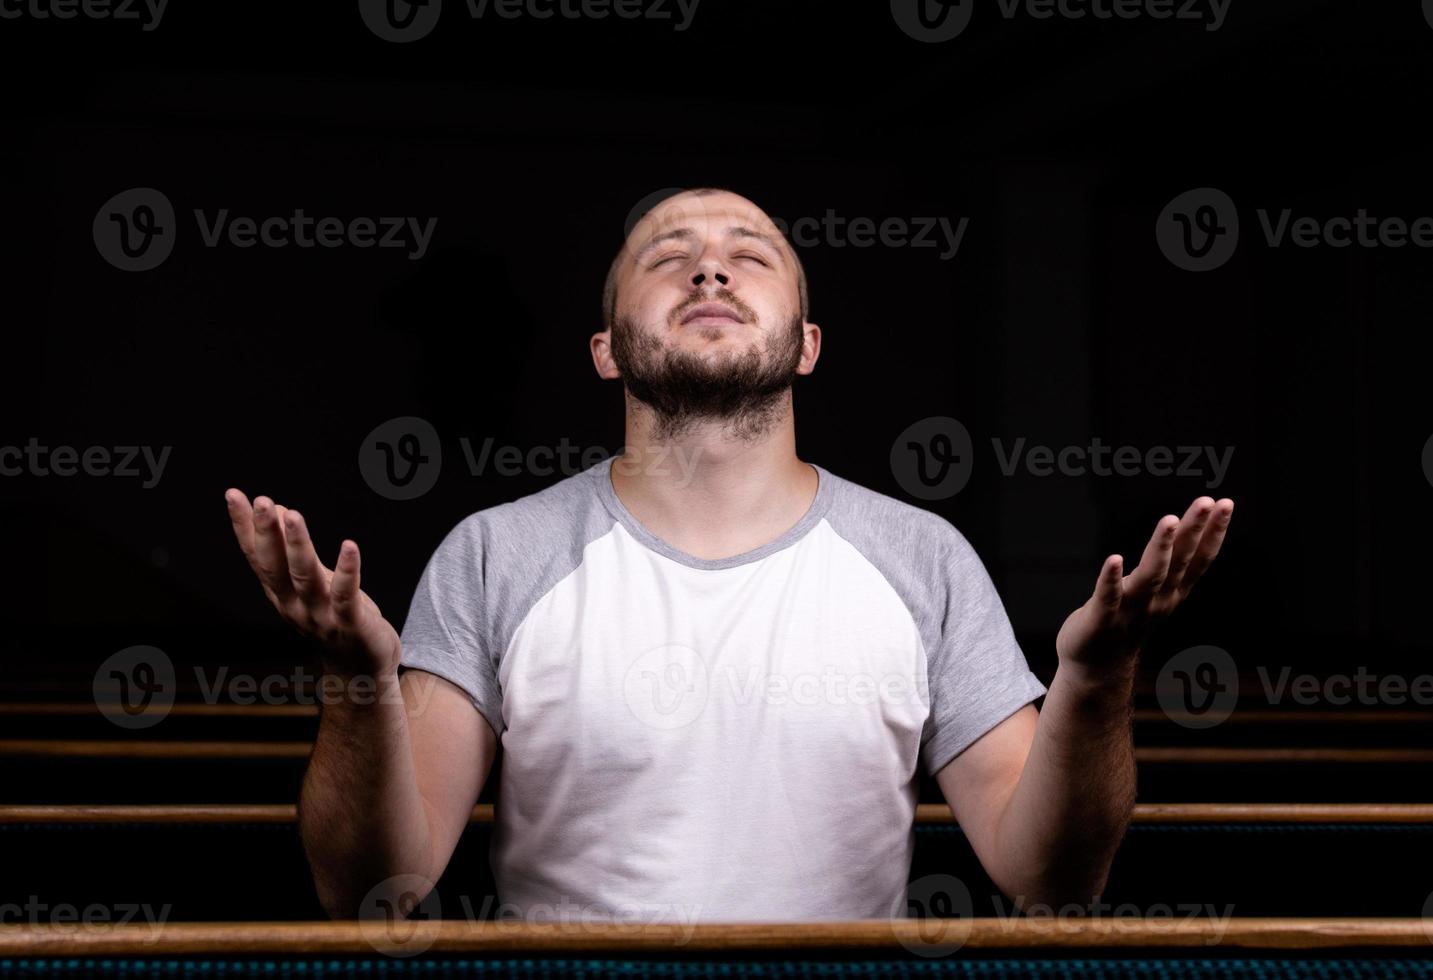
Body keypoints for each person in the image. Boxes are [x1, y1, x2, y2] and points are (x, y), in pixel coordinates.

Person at [223, 188, 1234, 924]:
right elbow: (372, 888)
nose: (708, 266)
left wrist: (1097, 681)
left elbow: (1048, 880)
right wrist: (355, 685)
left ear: (806, 344)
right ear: (605, 349)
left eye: (748, 252)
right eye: (666, 255)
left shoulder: (921, 557)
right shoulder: (495, 552)